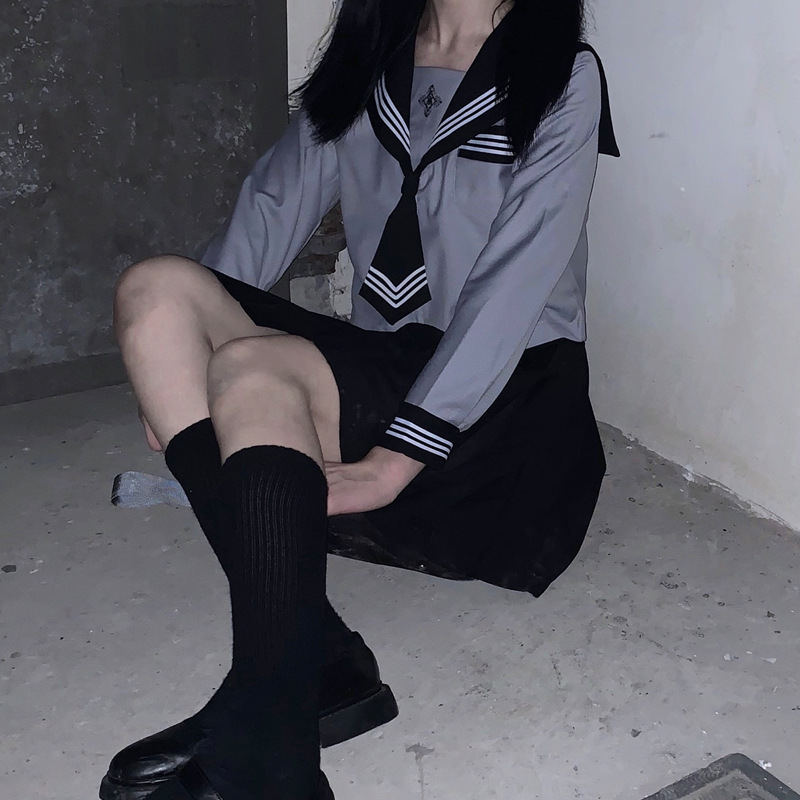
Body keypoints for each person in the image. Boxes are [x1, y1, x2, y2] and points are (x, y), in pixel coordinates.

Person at [100, 0, 619, 797]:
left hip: (504, 418)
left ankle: (271, 742)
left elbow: (513, 286)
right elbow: (273, 206)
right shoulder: (372, 56)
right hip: (387, 364)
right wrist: (176, 363)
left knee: (253, 372)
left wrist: (402, 452)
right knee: (156, 293)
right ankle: (307, 661)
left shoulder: (561, 74)